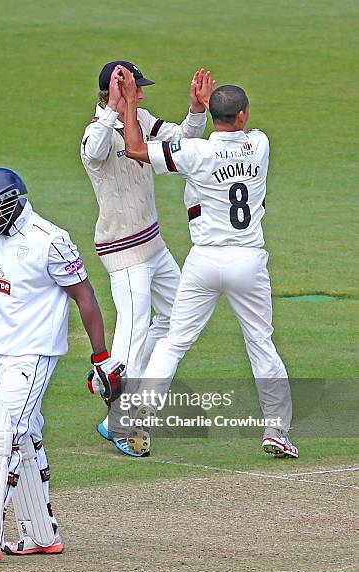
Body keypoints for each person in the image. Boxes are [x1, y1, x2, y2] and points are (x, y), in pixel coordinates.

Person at [0, 167, 124, 562]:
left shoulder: (50, 240)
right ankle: (40, 534)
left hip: (33, 353)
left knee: (0, 432)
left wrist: (101, 357)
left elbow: (85, 297)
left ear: (10, 204)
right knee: (24, 434)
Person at [118, 68, 298, 459]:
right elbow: (236, 140)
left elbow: (134, 149)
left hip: (202, 261)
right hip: (248, 261)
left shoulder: (194, 153)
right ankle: (276, 431)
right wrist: (205, 107)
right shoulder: (260, 145)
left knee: (174, 342)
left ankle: (140, 418)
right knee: (261, 344)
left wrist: (132, 100)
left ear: (214, 115)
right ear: (244, 116)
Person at [81, 60, 213, 456]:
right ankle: (120, 417)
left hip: (154, 245)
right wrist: (113, 109)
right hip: (122, 250)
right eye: (136, 88)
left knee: (176, 317)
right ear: (115, 92)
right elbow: (93, 152)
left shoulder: (143, 118)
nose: (142, 94)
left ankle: (118, 387)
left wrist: (197, 110)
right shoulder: (96, 132)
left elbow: (182, 141)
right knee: (134, 326)